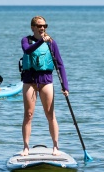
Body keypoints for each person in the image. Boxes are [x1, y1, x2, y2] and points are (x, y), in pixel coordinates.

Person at [20, 16, 69, 156]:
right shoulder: (26, 40)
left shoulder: (52, 43)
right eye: (39, 25)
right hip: (29, 80)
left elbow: (60, 64)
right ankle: (26, 147)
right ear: (33, 27)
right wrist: (42, 40)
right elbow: (27, 51)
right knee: (28, 115)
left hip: (46, 80)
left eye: (44, 26)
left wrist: (65, 86)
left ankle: (55, 146)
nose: (42, 28)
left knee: (50, 114)